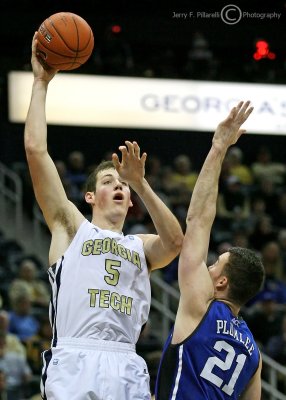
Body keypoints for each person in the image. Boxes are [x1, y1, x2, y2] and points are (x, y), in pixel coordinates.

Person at [24, 33, 183, 400]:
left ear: (130, 202)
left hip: (125, 362)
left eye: (123, 185)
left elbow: (176, 242)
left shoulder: (140, 245)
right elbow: (35, 150)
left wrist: (141, 184)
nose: (119, 185)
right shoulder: (70, 226)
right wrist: (40, 82)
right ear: (90, 195)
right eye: (109, 180)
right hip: (75, 357)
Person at [155, 101, 265, 400]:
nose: (209, 267)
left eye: (216, 264)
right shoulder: (254, 356)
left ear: (221, 282)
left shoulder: (202, 307)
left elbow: (198, 221)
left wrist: (218, 147)